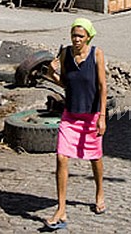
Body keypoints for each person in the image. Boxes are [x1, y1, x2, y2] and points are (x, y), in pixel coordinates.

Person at [45, 18, 107, 230]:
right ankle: (61, 209)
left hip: (91, 116)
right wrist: (51, 72)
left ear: (88, 36)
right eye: (74, 35)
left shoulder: (97, 54)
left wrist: (102, 117)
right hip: (70, 115)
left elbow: (102, 86)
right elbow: (64, 82)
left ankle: (99, 191)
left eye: (81, 36)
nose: (77, 39)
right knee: (61, 157)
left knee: (95, 158)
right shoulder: (65, 54)